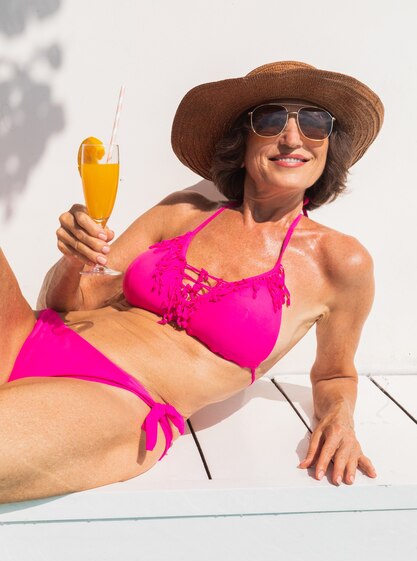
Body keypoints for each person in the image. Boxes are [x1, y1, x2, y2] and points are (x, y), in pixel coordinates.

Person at [0, 60, 383, 504]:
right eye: (271, 119)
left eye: (315, 123)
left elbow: (335, 373)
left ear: (328, 147)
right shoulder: (182, 213)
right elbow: (69, 301)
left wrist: (340, 419)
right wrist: (73, 258)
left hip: (116, 398)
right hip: (30, 333)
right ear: (243, 141)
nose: (293, 137)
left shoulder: (339, 262)